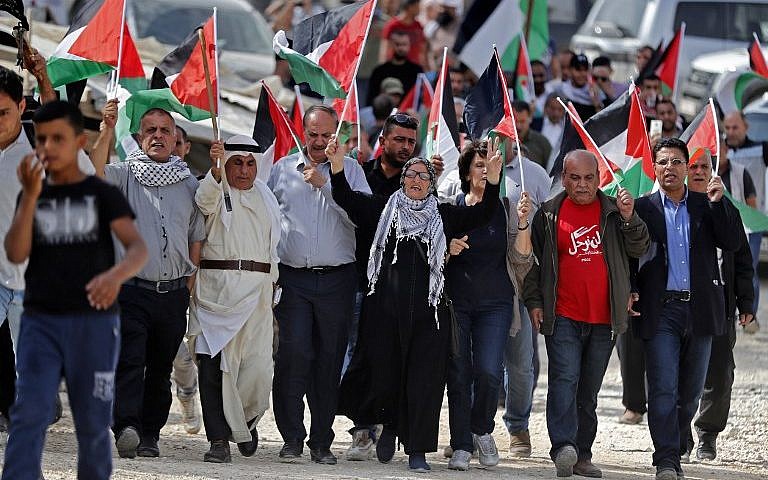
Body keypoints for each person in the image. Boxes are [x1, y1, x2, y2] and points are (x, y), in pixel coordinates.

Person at [329, 133, 504, 473]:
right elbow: (347, 199)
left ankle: (417, 452)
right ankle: (387, 425)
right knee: (384, 374)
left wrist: (493, 179)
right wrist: (337, 168)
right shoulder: (384, 208)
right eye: (410, 174)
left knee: (424, 383)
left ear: (432, 184)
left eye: (424, 176)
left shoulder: (444, 215)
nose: (416, 180)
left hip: (430, 314)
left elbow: (484, 212)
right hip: (384, 312)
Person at [1, 100, 147, 480]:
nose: (48, 148)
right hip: (39, 319)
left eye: (58, 140)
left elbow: (137, 249)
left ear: (78, 142)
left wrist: (114, 277)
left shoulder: (102, 194)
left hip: (92, 324)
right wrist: (30, 197)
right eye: (43, 140)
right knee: (29, 413)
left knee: (92, 422)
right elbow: (15, 251)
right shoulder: (31, 191)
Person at [523, 149, 649, 478]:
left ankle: (583, 454)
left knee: (589, 389)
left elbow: (640, 247)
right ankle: (563, 446)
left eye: (589, 178)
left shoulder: (612, 211)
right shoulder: (548, 215)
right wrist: (534, 301)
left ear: (599, 179)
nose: (582, 185)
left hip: (604, 318)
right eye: (575, 178)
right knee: (564, 380)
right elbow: (532, 266)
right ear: (563, 179)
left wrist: (628, 216)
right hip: (562, 313)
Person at [91, 101, 206, 459]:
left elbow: (195, 235)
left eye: (165, 131)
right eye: (151, 131)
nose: (158, 136)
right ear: (140, 138)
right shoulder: (123, 175)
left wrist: (189, 282)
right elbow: (93, 174)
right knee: (129, 359)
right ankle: (126, 426)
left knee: (159, 368)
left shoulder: (189, 183)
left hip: (172, 294)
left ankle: (150, 434)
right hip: (132, 291)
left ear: (176, 140)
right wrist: (106, 130)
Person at [631, 137, 742, 480]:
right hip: (661, 311)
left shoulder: (705, 204)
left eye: (677, 162)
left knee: (690, 393)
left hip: (701, 311)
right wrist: (631, 291)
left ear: (685, 167)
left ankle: (676, 441)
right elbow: (629, 257)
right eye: (662, 162)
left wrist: (720, 204)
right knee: (663, 387)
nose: (670, 168)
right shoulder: (641, 208)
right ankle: (666, 458)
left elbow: (734, 242)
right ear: (655, 167)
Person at [267, 105, 370, 465]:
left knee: (329, 360)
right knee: (293, 356)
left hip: (337, 280)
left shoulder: (352, 170)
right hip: (293, 279)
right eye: (313, 134)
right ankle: (291, 438)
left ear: (337, 136)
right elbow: (265, 216)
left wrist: (328, 184)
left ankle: (321, 441)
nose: (319, 142)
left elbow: (361, 218)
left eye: (327, 135)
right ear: (303, 132)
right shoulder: (281, 169)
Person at [188, 135, 281, 464]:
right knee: (213, 369)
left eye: (249, 163)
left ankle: (245, 422)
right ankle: (218, 440)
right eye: (236, 162)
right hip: (217, 293)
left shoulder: (267, 196)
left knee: (257, 369)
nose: (243, 170)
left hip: (257, 295)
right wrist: (214, 171)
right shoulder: (215, 188)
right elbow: (203, 202)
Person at [443, 140, 534, 470]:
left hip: (496, 304)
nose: (485, 170)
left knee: (488, 371)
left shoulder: (506, 207)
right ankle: (462, 445)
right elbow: (432, 251)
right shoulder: (451, 205)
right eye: (479, 165)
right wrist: (447, 247)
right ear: (466, 172)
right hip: (457, 303)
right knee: (458, 373)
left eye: (490, 165)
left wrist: (523, 222)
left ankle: (482, 429)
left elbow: (522, 258)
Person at [345, 112, 419, 461]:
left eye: (410, 142)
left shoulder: (417, 182)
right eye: (399, 140)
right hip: (359, 281)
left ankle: (379, 427)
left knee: (389, 358)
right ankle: (359, 426)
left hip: (399, 288)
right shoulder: (361, 174)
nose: (405, 147)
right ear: (384, 140)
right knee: (355, 357)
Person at [685, 147, 755, 461]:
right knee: (675, 372)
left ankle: (707, 436)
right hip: (680, 307)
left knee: (719, 372)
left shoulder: (727, 210)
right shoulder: (672, 208)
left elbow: (742, 259)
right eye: (692, 165)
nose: (698, 171)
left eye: (704, 166)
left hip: (719, 307)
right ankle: (678, 435)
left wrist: (747, 303)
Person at [169, 124, 202, 436]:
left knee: (183, 351)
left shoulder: (196, 186)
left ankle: (188, 395)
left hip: (191, 279)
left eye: (178, 142)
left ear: (187, 147)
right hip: (157, 278)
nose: (173, 147)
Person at [724, 111, 767, 334]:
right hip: (725, 221)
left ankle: (750, 315)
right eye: (727, 128)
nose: (731, 132)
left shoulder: (761, 149)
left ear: (746, 127)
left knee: (748, 268)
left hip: (752, 221)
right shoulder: (720, 150)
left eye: (735, 127)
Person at [367, 31, 423, 106]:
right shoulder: (379, 71)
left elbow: (421, 97)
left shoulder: (417, 71)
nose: (400, 48)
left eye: (404, 44)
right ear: (391, 45)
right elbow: (371, 98)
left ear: (409, 46)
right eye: (397, 44)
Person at [380, 0, 428, 70]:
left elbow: (422, 50)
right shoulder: (392, 26)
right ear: (410, 7)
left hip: (414, 70)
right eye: (417, 6)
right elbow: (385, 50)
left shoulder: (419, 26)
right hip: (395, 69)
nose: (419, 9)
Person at [555, 54, 605, 120]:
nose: (582, 74)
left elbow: (602, 121)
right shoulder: (561, 90)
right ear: (570, 70)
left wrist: (597, 104)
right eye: (578, 69)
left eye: (585, 70)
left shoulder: (597, 91)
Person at [511, 100, 552, 169]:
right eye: (515, 121)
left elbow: (551, 170)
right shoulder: (502, 142)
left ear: (530, 118)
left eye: (522, 121)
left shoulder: (542, 143)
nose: (518, 126)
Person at [539, 94, 565, 173]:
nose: (556, 113)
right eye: (553, 108)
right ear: (546, 108)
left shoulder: (567, 128)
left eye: (559, 109)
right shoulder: (537, 124)